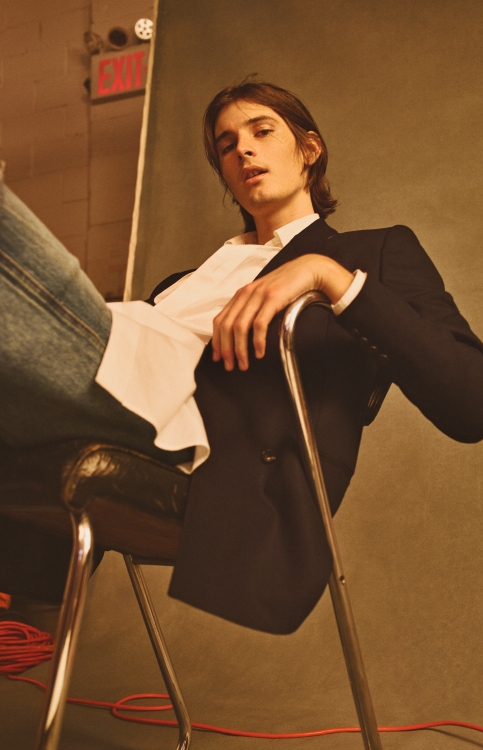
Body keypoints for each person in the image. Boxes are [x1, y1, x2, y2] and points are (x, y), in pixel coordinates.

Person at [1, 80, 483, 634]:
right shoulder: (182, 282)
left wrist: (326, 275)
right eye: (226, 145)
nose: (243, 150)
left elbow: (471, 400)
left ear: (309, 149)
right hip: (110, 394)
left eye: (261, 131)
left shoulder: (370, 252)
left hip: (200, 451)